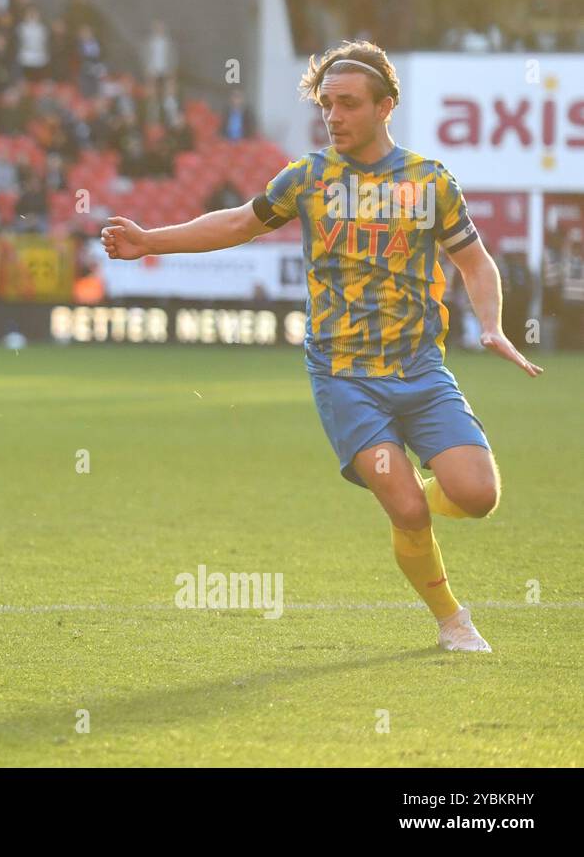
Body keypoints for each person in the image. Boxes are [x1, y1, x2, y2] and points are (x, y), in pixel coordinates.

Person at [101, 41, 542, 653]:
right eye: (326, 104)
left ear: (386, 106)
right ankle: (451, 619)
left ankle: (423, 482)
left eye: (349, 105)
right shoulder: (308, 177)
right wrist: (152, 241)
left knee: (477, 495)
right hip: (345, 377)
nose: (333, 116)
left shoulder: (429, 180)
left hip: (420, 368)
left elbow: (475, 260)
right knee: (408, 511)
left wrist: (490, 324)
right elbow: (237, 223)